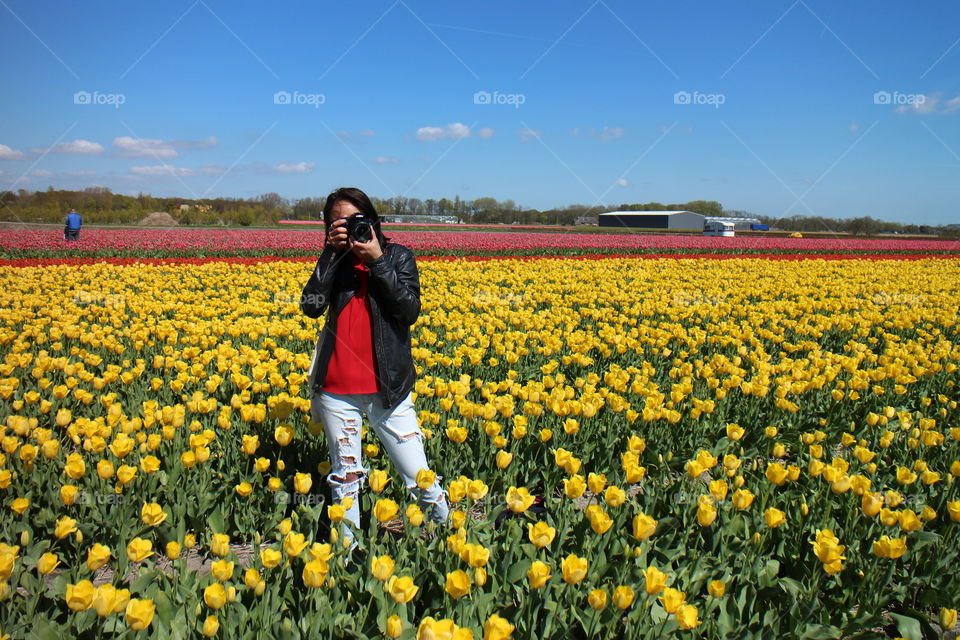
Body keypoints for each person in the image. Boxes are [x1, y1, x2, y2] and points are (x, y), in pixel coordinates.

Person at [300, 187, 448, 547]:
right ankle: (347, 558)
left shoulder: (398, 257)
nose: (349, 229)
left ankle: (452, 535)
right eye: (339, 224)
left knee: (418, 476)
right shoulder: (334, 262)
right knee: (346, 481)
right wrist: (329, 255)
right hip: (337, 390)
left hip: (389, 391)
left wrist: (378, 259)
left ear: (372, 219)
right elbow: (311, 305)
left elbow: (407, 311)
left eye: (356, 221)